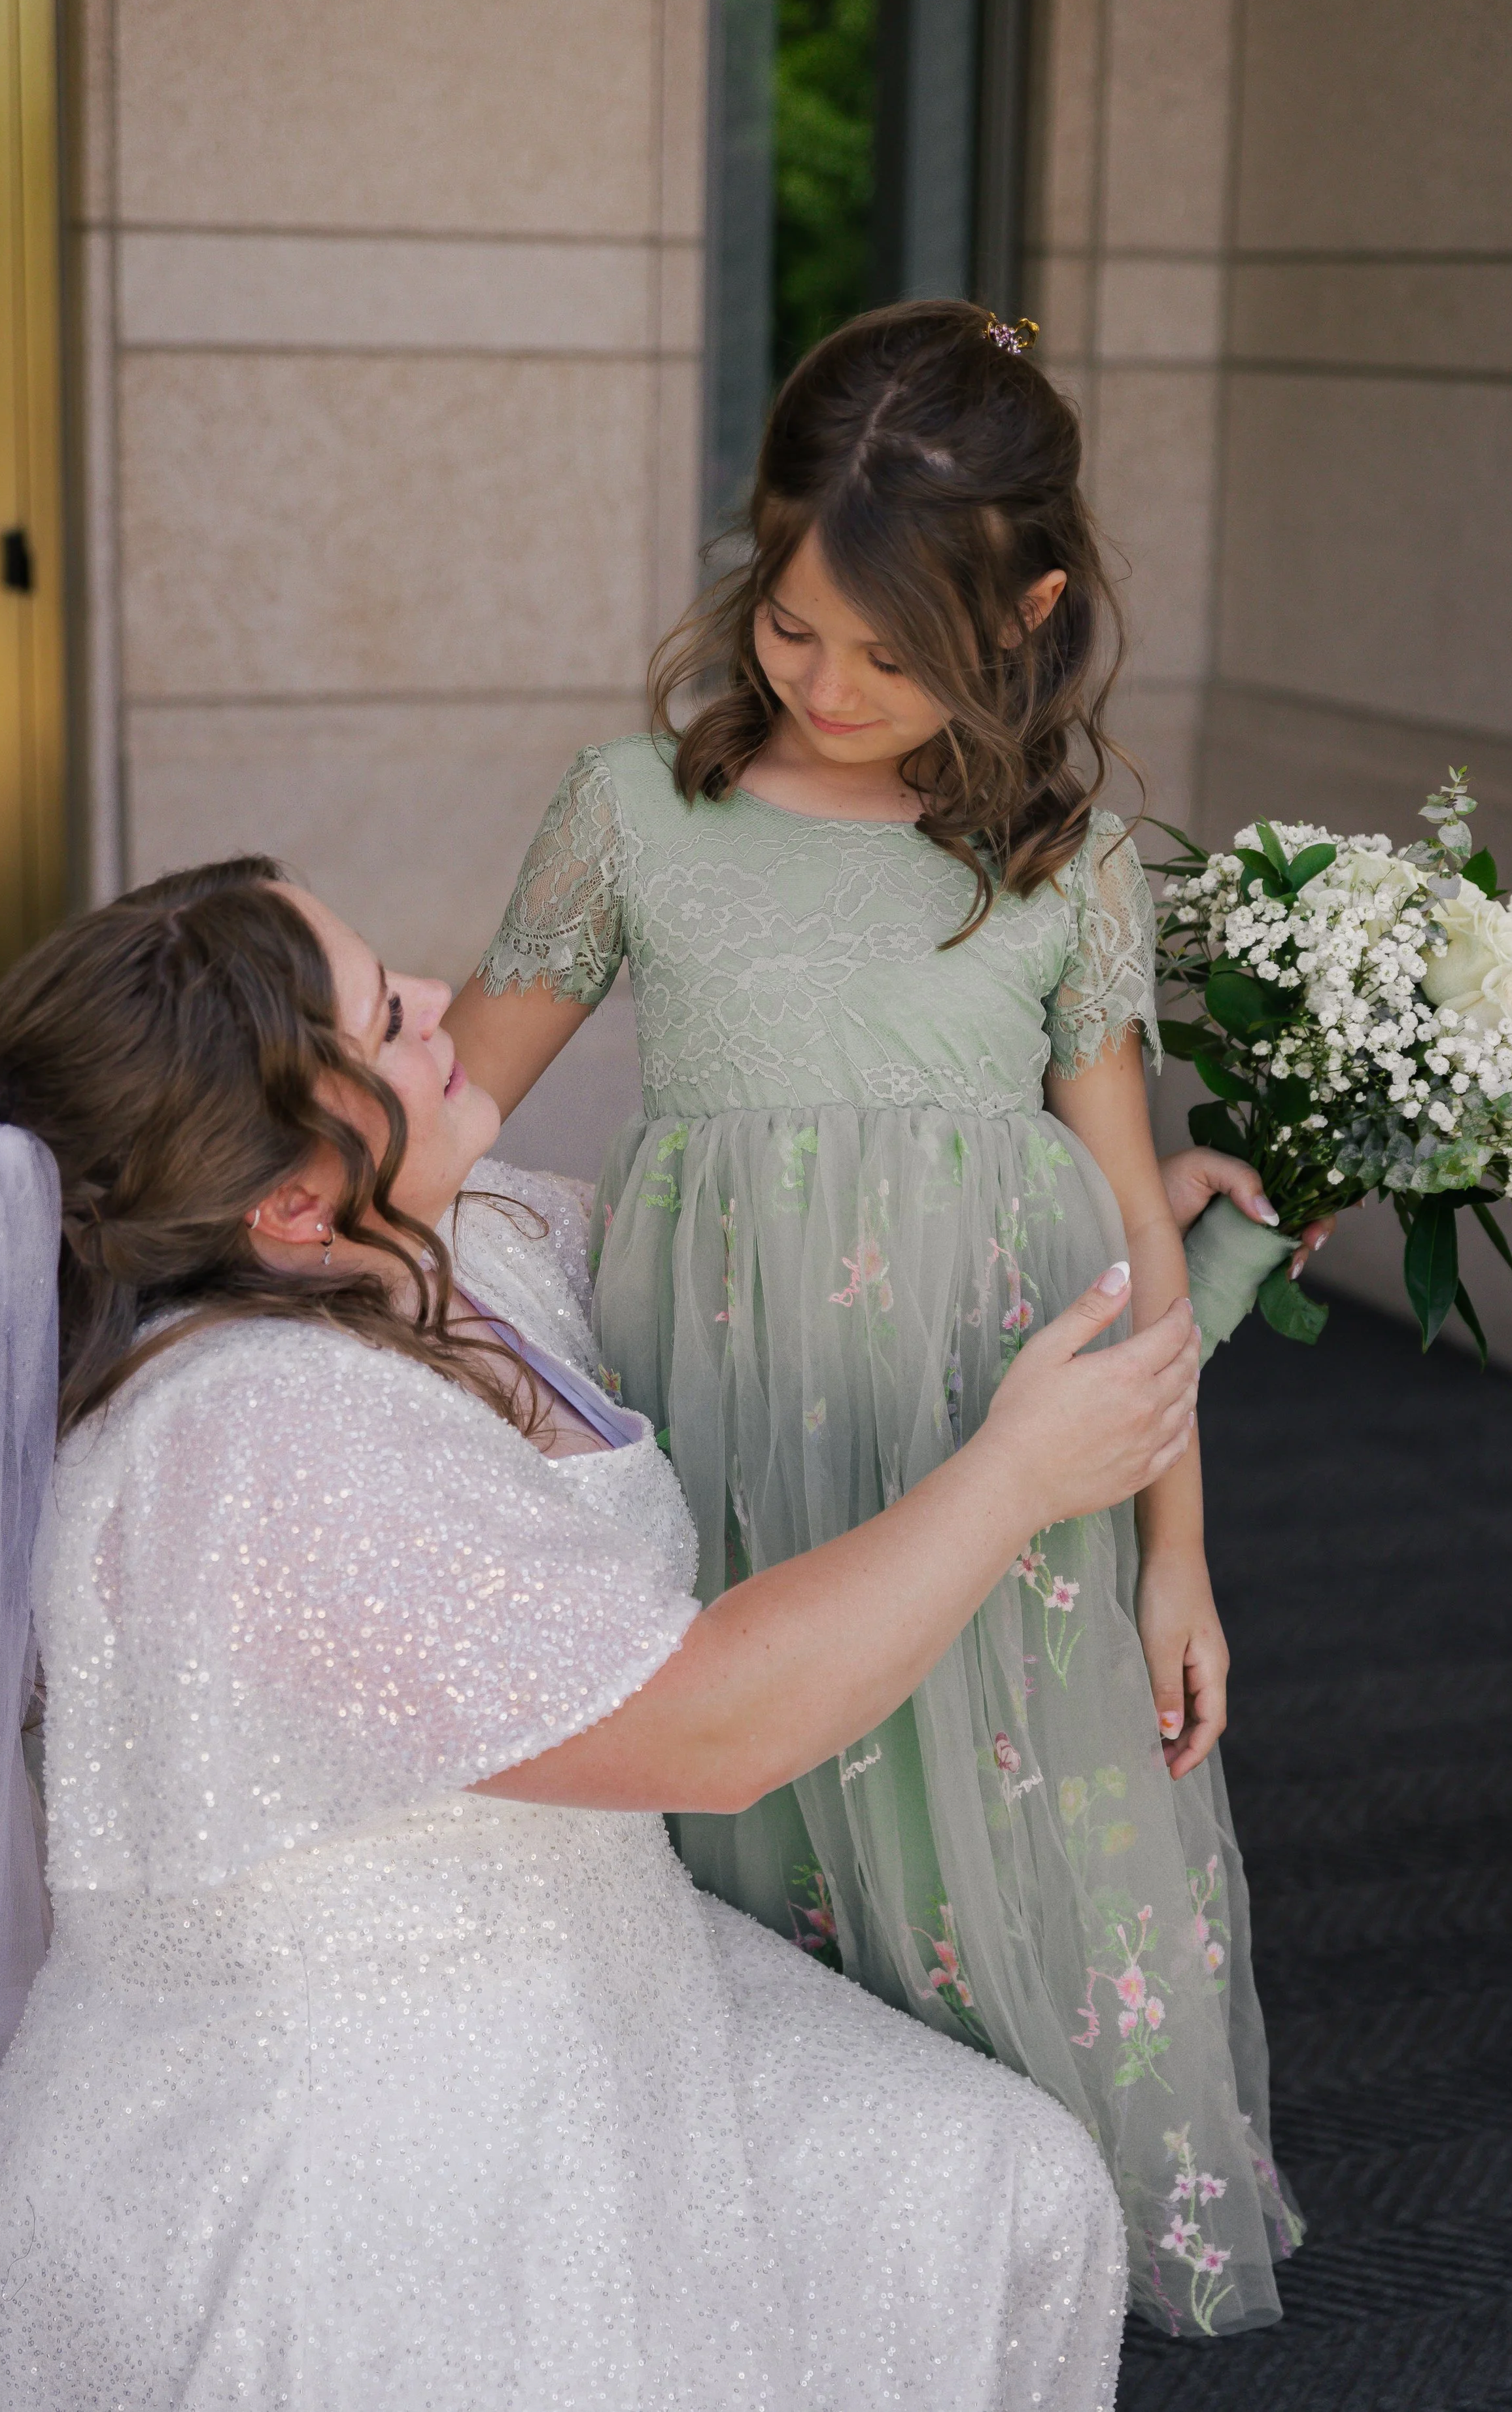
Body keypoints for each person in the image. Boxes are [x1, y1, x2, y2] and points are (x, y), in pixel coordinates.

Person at [0, 860, 1212, 2409]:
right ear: (288, 1205)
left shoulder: (454, 1238)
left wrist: (1098, 1220)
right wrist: (1014, 1477)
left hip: (597, 1963)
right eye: (380, 1021)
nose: (438, 1005)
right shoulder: (252, 1445)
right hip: (368, 2105)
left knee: (997, 2176)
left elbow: (755, 1273)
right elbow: (710, 1732)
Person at [447, 299, 1305, 2333]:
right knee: (772, 1813)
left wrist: (1179, 1558)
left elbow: (1119, 1225)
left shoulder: (1060, 862)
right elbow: (446, 1109)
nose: (826, 686)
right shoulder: (631, 811)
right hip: (738, 1434)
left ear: (1026, 610)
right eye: (791, 626)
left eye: (891, 655)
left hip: (995, 1422)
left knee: (1021, 1823)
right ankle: (805, 2263)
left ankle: (1021, 2262)